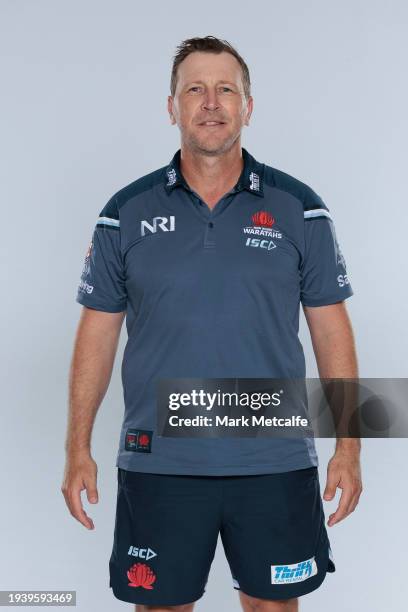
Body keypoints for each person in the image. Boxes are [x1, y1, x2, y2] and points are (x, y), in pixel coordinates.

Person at [62, 35, 363, 612]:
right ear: (171, 106)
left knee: (274, 606)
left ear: (248, 106)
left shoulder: (301, 208)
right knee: (163, 607)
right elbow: (96, 336)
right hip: (160, 461)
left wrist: (349, 447)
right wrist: (76, 447)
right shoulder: (123, 213)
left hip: (273, 458)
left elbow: (332, 332)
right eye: (194, 89)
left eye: (226, 89)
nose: (211, 102)